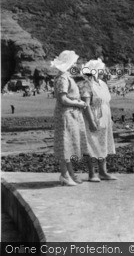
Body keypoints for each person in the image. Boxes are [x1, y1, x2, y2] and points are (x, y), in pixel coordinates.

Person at [51, 50, 89, 186]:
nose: (75, 64)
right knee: (65, 144)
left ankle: (70, 173)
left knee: (69, 144)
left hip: (71, 114)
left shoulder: (66, 77)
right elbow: (62, 99)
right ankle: (65, 174)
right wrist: (79, 103)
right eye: (73, 62)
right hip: (66, 114)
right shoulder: (62, 78)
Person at [79, 59, 117, 182]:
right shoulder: (86, 84)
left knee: (103, 144)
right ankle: (92, 174)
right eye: (101, 70)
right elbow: (86, 105)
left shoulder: (102, 83)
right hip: (93, 117)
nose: (104, 72)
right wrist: (91, 121)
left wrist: (110, 119)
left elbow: (106, 102)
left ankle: (103, 172)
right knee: (91, 145)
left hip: (104, 118)